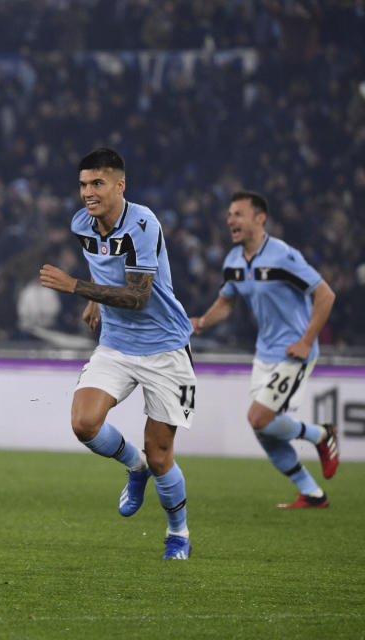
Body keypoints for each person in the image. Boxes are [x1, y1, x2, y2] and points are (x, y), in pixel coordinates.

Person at [39, 148, 196, 560]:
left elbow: (139, 297)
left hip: (164, 348)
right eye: (83, 184)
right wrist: (94, 297)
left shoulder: (143, 224)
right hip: (117, 345)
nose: (88, 193)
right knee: (84, 423)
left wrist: (77, 289)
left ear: (119, 185)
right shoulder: (81, 224)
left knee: (161, 454)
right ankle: (134, 465)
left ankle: (178, 533)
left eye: (97, 184)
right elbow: (102, 263)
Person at [190, 191, 338, 508]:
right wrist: (201, 322)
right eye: (229, 214)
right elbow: (226, 303)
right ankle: (313, 494)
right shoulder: (233, 261)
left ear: (260, 219)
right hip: (265, 354)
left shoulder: (283, 255)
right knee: (264, 431)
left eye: (238, 214)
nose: (230, 220)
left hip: (294, 353)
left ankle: (321, 435)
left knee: (258, 418)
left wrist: (307, 340)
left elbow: (325, 295)